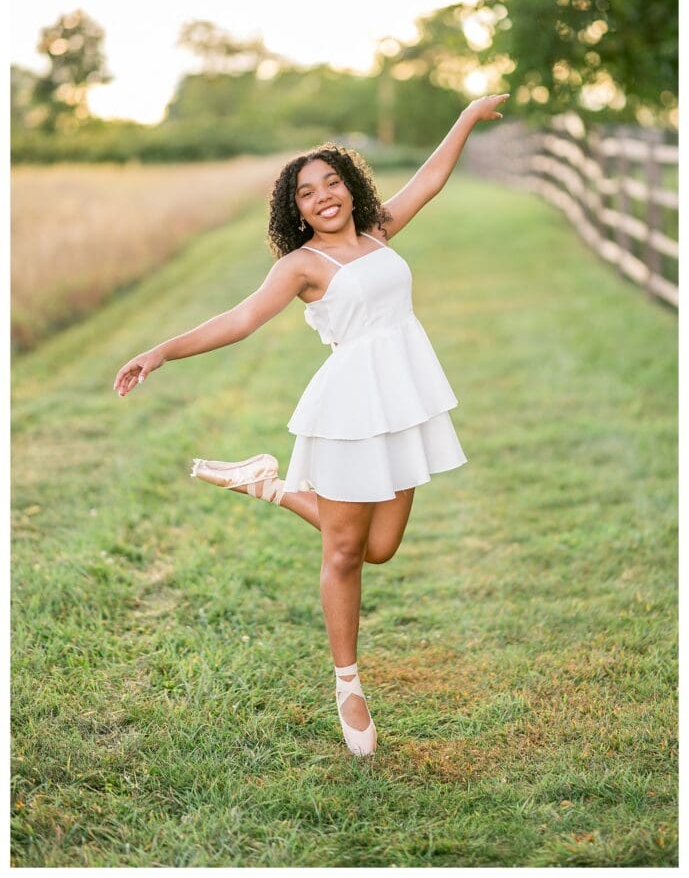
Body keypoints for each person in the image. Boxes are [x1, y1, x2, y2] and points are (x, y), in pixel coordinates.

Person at [113, 92, 509, 757]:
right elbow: (237, 321)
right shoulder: (300, 267)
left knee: (380, 548)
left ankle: (266, 484)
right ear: (294, 209)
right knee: (345, 552)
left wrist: (466, 115)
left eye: (331, 182)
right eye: (306, 192)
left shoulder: (378, 230)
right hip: (351, 408)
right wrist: (161, 351)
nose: (323, 196)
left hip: (403, 398)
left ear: (349, 190)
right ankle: (347, 684)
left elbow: (431, 179)